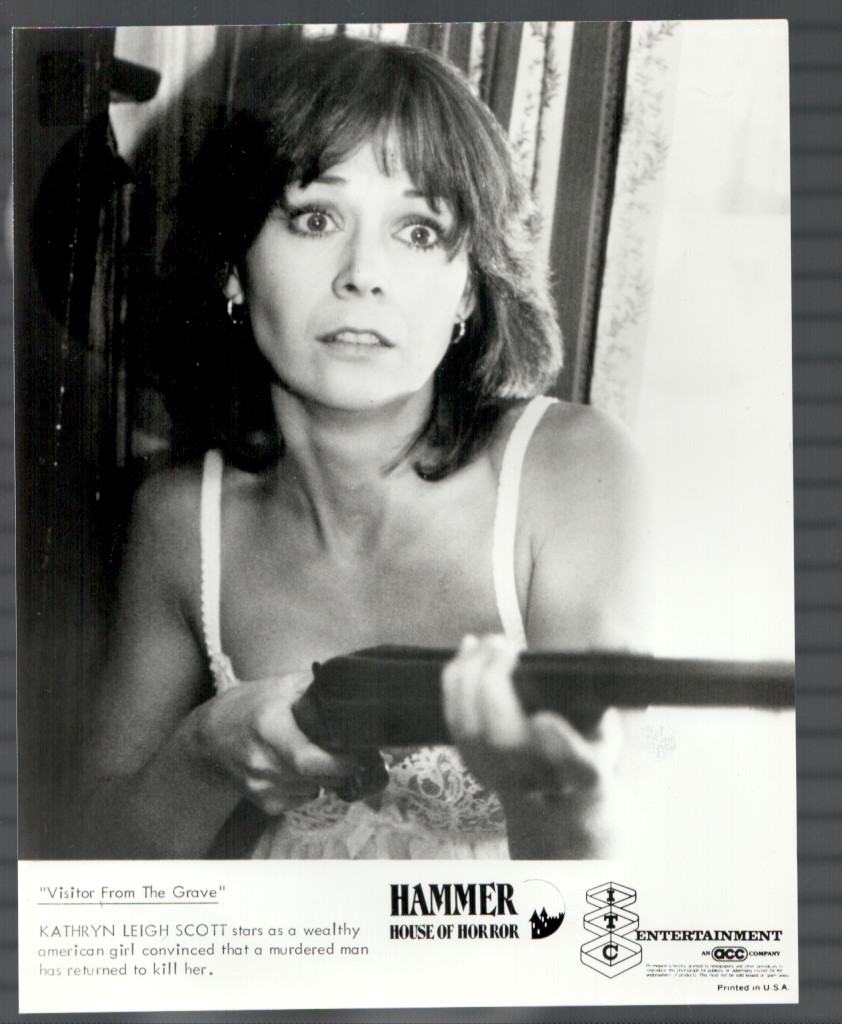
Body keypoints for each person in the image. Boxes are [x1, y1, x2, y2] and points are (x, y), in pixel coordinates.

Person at [81, 33, 653, 860]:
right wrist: (205, 753)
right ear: (233, 264)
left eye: (417, 230)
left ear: (469, 287)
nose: (364, 274)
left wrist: (546, 786)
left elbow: (600, 895)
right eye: (316, 218)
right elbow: (89, 871)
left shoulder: (572, 471)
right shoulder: (181, 521)